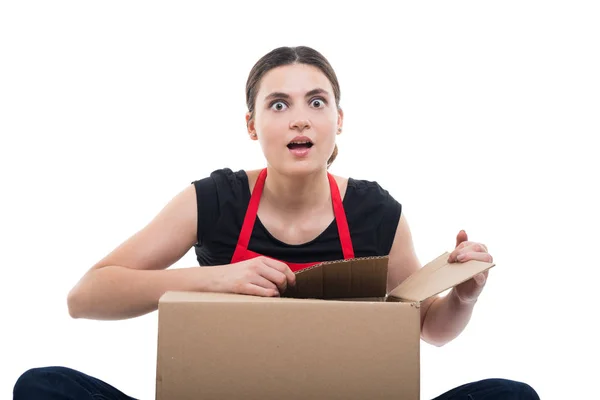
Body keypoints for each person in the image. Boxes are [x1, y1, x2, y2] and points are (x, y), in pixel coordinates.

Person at [13, 46, 539, 400]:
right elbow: (85, 297)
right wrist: (213, 278)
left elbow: (427, 328)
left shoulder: (377, 213)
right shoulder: (213, 200)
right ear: (252, 124)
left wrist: (464, 295)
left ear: (339, 120)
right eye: (279, 104)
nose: (299, 118)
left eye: (316, 101)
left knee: (511, 396)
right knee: (42, 386)